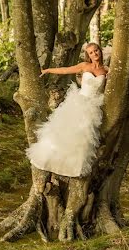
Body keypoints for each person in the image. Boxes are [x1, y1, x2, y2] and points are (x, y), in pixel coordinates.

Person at [26, 43, 108, 178]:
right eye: (91, 53)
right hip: (78, 101)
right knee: (64, 131)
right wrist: (48, 70)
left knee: (83, 136)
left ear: (100, 51)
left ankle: (73, 167)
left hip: (93, 106)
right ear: (88, 55)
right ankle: (50, 160)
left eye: (96, 51)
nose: (95, 54)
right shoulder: (84, 66)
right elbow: (66, 70)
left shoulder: (106, 70)